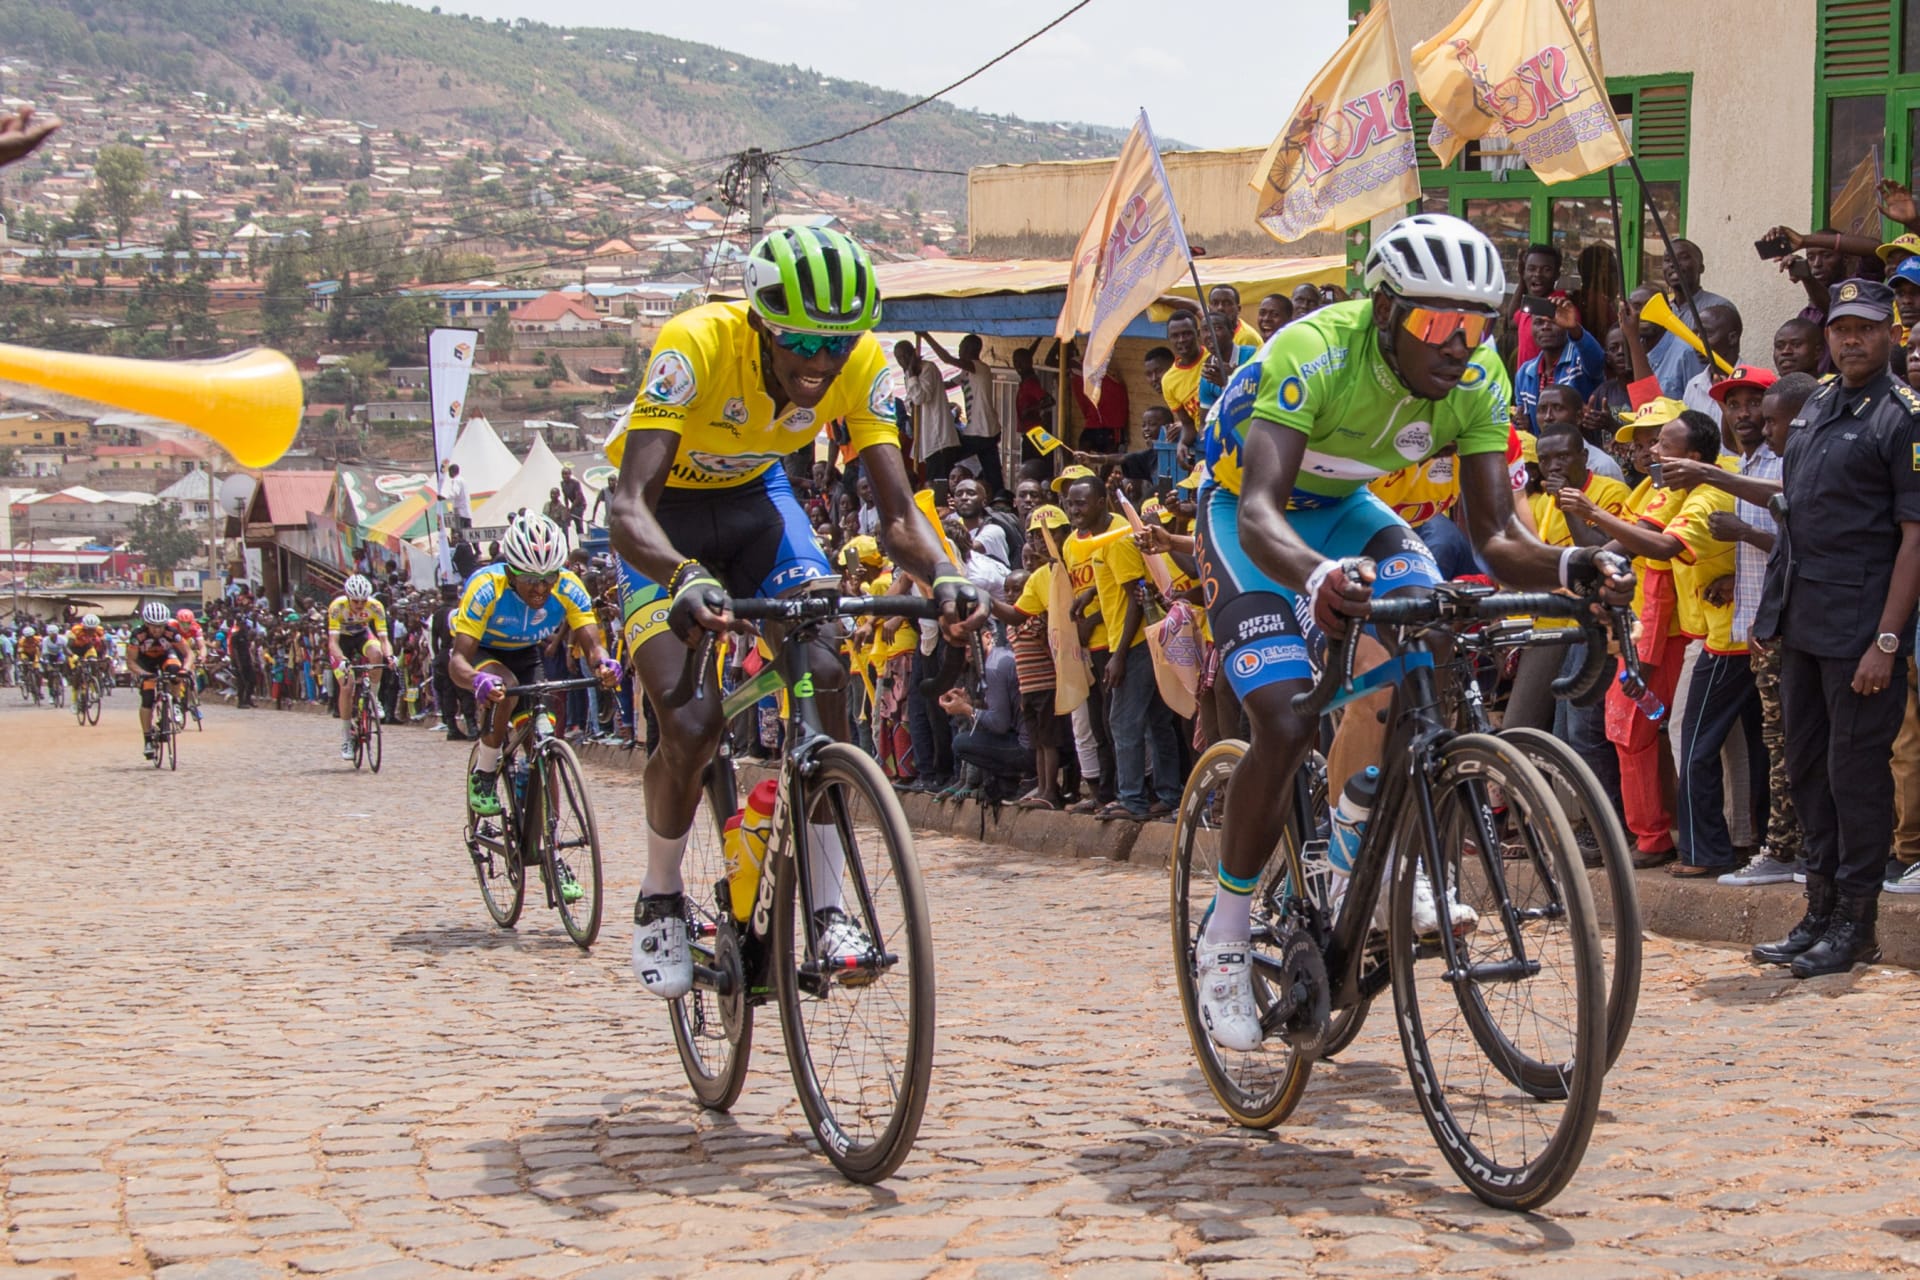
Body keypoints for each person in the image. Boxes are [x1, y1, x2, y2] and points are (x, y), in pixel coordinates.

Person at [1190, 213, 1633, 1051]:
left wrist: (1575, 564)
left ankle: (1362, 845)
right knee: (1283, 719)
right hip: (1252, 519)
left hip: (1348, 510)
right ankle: (1226, 931)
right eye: (1435, 322)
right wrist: (1316, 578)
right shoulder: (1314, 351)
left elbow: (1497, 535)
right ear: (1386, 311)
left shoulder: (1479, 378)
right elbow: (1258, 512)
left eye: (1476, 324)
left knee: (1431, 631)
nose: (1457, 344)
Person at [608, 227, 981, 1002]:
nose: (820, 361)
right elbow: (627, 508)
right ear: (760, 323)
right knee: (690, 725)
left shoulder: (864, 364)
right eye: (802, 341)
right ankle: (661, 892)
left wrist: (946, 572)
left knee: (823, 667)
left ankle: (829, 906)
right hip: (664, 521)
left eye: (836, 344)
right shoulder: (695, 345)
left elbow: (898, 516)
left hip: (757, 506)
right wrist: (682, 577)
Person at [1752, 280, 1920, 978]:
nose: (1853, 340)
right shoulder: (1818, 402)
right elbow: (1797, 513)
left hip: (1860, 634)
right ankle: (1818, 912)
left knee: (1856, 779)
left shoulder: (1903, 417)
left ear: (1891, 335)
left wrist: (1887, 640)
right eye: (1843, 328)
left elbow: (1915, 538)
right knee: (1808, 770)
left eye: (1867, 328)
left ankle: (1857, 924)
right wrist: (1772, 614)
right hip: (1803, 623)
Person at [449, 516, 620, 830]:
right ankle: (485, 772)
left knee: (542, 738)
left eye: (548, 578)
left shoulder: (568, 586)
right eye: (530, 579)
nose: (541, 588)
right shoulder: (485, 587)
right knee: (506, 687)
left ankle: (548, 841)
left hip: (527, 654)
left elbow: (594, 645)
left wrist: (604, 665)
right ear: (511, 572)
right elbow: (458, 659)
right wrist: (477, 679)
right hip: (484, 651)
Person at [917, 331, 1005, 496]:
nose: (959, 350)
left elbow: (947, 359)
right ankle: (998, 497)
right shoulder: (966, 372)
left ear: (970, 349)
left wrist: (926, 337)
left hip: (981, 431)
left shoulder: (979, 367)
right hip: (985, 431)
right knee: (993, 474)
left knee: (944, 458)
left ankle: (941, 496)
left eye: (962, 347)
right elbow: (945, 385)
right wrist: (921, 378)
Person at [1514, 293, 1604, 432]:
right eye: (1538, 322)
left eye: (1553, 321)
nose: (1545, 327)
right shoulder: (1525, 373)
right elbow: (1525, 416)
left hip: (1579, 443)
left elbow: (1598, 362)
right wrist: (1523, 423)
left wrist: (1574, 329)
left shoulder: (1579, 359)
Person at [326, 574, 393, 762]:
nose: (360, 605)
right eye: (355, 601)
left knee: (377, 654)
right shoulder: (337, 607)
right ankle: (346, 737)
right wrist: (342, 660)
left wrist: (390, 656)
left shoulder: (375, 607)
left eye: (363, 601)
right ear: (348, 597)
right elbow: (333, 642)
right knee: (347, 687)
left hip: (363, 635)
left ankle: (374, 698)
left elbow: (384, 640)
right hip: (341, 642)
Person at [127, 601, 193, 760]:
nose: (157, 630)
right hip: (145, 663)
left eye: (160, 626)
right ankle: (148, 740)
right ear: (146, 624)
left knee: (175, 670)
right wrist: (143, 674)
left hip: (165, 657)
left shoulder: (172, 633)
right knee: (147, 698)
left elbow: (189, 654)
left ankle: (176, 703)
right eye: (153, 626)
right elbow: (131, 662)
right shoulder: (137, 636)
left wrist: (185, 669)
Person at [444, 462, 473, 532]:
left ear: (452, 471)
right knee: (469, 533)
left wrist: (444, 497)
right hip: (466, 513)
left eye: (449, 472)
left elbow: (455, 493)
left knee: (460, 534)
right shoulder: (462, 480)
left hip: (460, 514)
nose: (449, 474)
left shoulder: (456, 480)